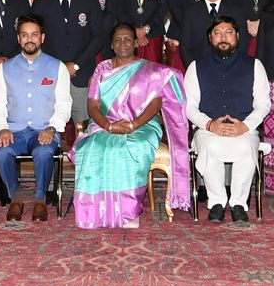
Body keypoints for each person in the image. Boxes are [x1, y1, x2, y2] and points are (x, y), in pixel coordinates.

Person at [71, 23, 192, 228]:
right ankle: (95, 211)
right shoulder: (102, 69)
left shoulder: (149, 70)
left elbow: (156, 103)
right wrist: (109, 126)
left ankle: (127, 212)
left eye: (127, 39)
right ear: (111, 45)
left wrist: (134, 125)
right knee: (93, 147)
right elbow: (92, 106)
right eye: (117, 40)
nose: (122, 43)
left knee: (134, 146)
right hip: (105, 125)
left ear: (136, 43)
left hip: (143, 126)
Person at [186, 16, 270, 223]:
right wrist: (209, 124)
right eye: (217, 33)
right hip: (208, 128)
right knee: (209, 145)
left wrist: (245, 126)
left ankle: (239, 203)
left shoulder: (254, 65)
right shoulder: (196, 67)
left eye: (228, 32)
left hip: (244, 127)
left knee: (246, 146)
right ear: (210, 38)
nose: (223, 37)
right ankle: (217, 201)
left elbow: (263, 104)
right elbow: (188, 106)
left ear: (238, 36)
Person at [0, 14, 71, 221]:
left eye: (34, 34)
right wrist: (2, 128)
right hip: (14, 131)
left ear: (42, 37)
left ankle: (40, 198)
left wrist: (52, 128)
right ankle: (15, 197)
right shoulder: (3, 69)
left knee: (44, 151)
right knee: (1, 153)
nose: (29, 39)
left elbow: (64, 105)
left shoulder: (58, 67)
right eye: (24, 35)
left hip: (44, 130)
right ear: (18, 39)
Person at [34, 0, 107, 130]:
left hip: (81, 73)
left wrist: (76, 65)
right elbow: (36, 37)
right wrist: (57, 66)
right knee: (50, 124)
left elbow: (99, 36)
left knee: (84, 125)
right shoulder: (41, 2)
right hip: (51, 73)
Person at [176, 0, 249, 68]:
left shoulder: (237, 11)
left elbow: (242, 44)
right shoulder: (190, 12)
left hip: (231, 68)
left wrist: (232, 68)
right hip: (200, 68)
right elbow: (185, 48)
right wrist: (195, 70)